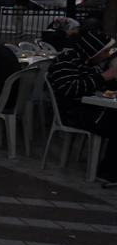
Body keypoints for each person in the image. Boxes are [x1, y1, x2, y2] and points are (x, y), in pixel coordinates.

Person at [46, 32, 117, 185]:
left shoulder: (89, 63)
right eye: (106, 51)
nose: (108, 55)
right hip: (72, 113)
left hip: (91, 108)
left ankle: (109, 169)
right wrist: (104, 77)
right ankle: (108, 173)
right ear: (94, 50)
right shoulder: (66, 62)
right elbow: (70, 89)